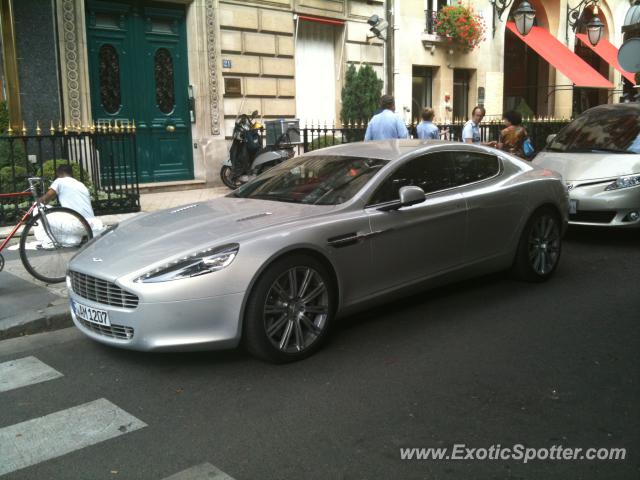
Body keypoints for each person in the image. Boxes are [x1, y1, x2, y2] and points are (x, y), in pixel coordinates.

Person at [35, 164, 103, 247]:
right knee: (69, 224)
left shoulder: (59, 181)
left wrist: (37, 200)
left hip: (76, 224)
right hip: (91, 225)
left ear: (58, 173)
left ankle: (46, 242)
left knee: (37, 207)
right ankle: (78, 239)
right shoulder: (80, 184)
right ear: (71, 173)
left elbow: (45, 200)